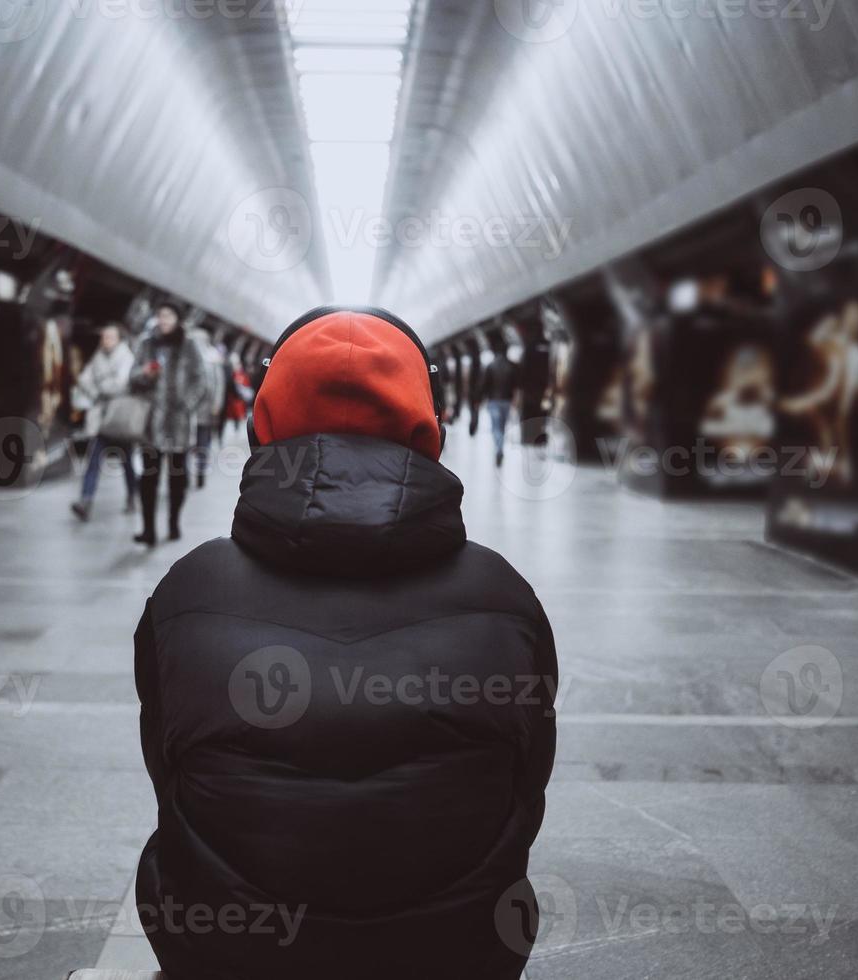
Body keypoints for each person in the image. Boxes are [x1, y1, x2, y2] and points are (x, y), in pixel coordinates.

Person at [134, 308, 557, 979]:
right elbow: (522, 795)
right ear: (430, 430)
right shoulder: (506, 599)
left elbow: (170, 778)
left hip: (229, 956)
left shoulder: (187, 594)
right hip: (458, 960)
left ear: (261, 428)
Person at [128, 302, 207, 546]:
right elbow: (132, 377)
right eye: (160, 315)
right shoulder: (146, 344)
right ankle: (148, 529)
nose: (163, 320)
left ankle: (173, 523)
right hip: (152, 423)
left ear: (177, 319)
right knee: (148, 478)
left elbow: (200, 380)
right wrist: (145, 374)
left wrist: (188, 404)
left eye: (169, 315)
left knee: (177, 478)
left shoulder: (189, 345)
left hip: (178, 423)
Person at [70, 322, 139, 521]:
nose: (105, 340)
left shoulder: (127, 358)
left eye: (110, 337)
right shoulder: (97, 357)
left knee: (127, 463)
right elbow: (84, 379)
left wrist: (99, 387)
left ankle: (132, 496)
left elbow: (121, 385)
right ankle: (85, 500)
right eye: (104, 337)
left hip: (119, 419)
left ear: (119, 339)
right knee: (93, 461)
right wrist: (98, 389)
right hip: (101, 420)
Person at [189, 326, 228, 490]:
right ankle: (185, 473)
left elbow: (219, 383)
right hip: (189, 409)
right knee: (187, 443)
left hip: (205, 409)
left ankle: (200, 472)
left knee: (202, 442)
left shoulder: (212, 357)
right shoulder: (186, 358)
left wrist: (216, 404)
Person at [482, 342, 522, 466]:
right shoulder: (512, 366)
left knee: (495, 427)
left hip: (493, 401)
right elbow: (517, 385)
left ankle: (498, 449)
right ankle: (500, 449)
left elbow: (484, 385)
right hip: (506, 401)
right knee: (503, 427)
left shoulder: (491, 366)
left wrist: (479, 400)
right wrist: (515, 401)